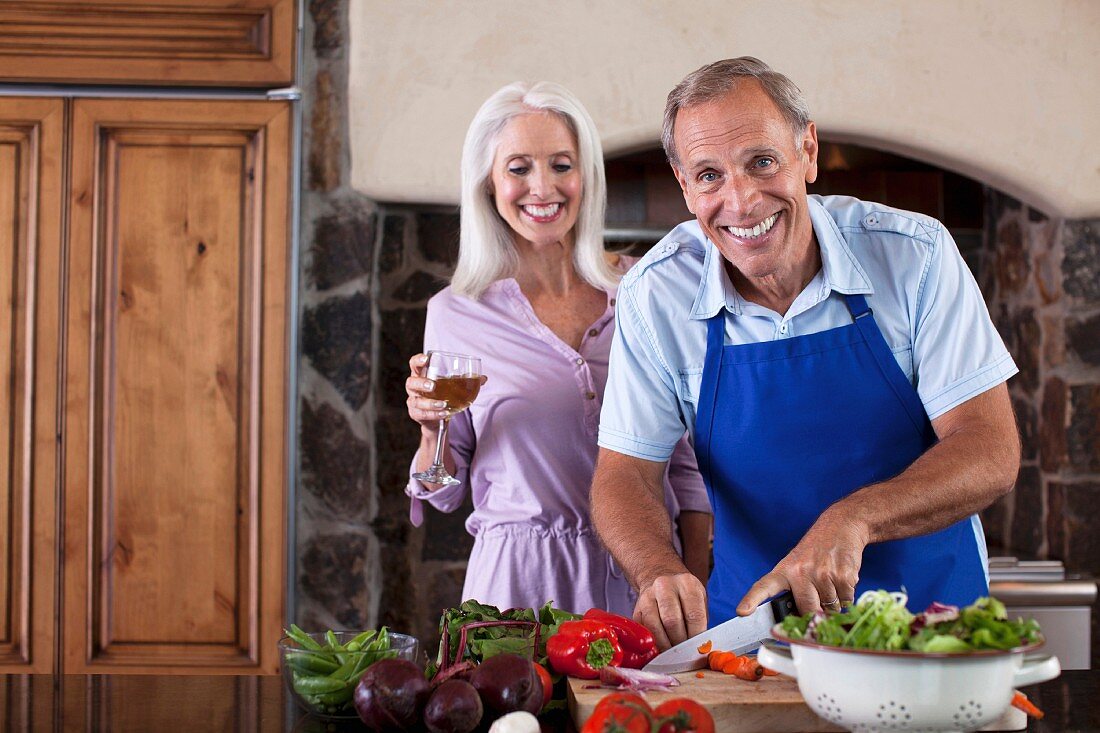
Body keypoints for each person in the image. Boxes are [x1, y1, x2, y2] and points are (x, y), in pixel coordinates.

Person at [590, 57, 1020, 649]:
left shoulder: (915, 256)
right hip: (756, 636)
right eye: (709, 175)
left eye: (761, 162)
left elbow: (989, 448)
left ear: (808, 151)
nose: (740, 202)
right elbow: (625, 472)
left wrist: (854, 519)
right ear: (684, 186)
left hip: (932, 629)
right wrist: (657, 568)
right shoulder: (657, 292)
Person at [404, 81, 711, 617]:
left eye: (561, 165)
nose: (542, 188)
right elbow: (443, 492)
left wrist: (693, 581)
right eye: (518, 168)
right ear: (489, 183)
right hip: (518, 591)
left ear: (586, 175)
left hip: (643, 578)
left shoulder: (642, 291)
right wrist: (433, 430)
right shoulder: (457, 312)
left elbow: (686, 464)